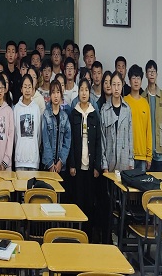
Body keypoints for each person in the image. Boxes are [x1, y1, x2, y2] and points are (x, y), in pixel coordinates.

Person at [67, 78, 102, 237]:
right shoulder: (73, 114)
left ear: (89, 93)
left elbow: (98, 142)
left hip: (91, 167)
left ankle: (88, 234)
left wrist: (97, 166)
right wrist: (72, 164)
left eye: (86, 90)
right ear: (78, 92)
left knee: (89, 201)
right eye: (81, 89)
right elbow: (71, 141)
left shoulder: (94, 114)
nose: (84, 93)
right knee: (77, 200)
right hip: (77, 166)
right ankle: (77, 233)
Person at [100, 71, 134, 173]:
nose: (116, 88)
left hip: (124, 162)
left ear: (122, 85)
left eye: (118, 84)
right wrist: (104, 164)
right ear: (110, 86)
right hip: (109, 162)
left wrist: (131, 161)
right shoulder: (104, 110)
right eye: (114, 84)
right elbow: (102, 139)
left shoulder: (127, 109)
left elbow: (130, 137)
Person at [142, 60, 162, 172]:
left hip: (159, 149)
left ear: (157, 74)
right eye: (149, 71)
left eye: (154, 71)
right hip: (146, 151)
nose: (152, 74)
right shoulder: (142, 97)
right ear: (146, 74)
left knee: (160, 180)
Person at [124, 64, 152, 171]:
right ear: (129, 80)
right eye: (133, 78)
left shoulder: (145, 103)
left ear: (141, 81)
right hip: (128, 155)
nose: (136, 81)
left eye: (138, 78)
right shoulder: (125, 101)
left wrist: (149, 156)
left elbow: (148, 131)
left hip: (142, 156)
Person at [42, 80, 71, 178]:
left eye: (58, 92)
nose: (56, 95)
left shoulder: (65, 117)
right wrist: (51, 163)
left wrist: (61, 161)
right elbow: (45, 141)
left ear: (61, 94)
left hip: (60, 166)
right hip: (47, 165)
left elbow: (67, 141)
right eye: (53, 92)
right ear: (50, 95)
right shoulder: (46, 115)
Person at [14, 74, 42, 171]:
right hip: (19, 159)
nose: (27, 90)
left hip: (33, 159)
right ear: (21, 89)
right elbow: (15, 134)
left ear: (33, 89)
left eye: (29, 87)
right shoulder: (16, 108)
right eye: (25, 87)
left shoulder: (36, 108)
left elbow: (39, 134)